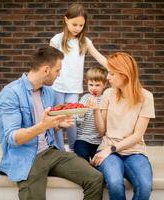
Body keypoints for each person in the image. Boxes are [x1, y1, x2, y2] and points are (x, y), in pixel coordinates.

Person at [0, 46, 103, 200]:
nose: (59, 75)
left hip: (50, 151)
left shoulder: (48, 92)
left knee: (96, 178)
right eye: (57, 70)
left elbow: (45, 130)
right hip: (26, 157)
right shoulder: (10, 93)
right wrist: (44, 125)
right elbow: (13, 138)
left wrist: (57, 125)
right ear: (46, 70)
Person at [90, 52, 155, 200]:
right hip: (109, 152)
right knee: (114, 183)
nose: (108, 78)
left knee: (145, 187)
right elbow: (102, 132)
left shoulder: (146, 97)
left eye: (112, 74)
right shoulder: (108, 94)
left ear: (124, 75)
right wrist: (95, 111)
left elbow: (137, 136)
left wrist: (110, 149)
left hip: (134, 151)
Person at [50, 3, 107, 151]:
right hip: (56, 86)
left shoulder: (85, 42)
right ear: (66, 20)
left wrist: (114, 67)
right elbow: (48, 61)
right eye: (74, 24)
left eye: (81, 25)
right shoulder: (57, 39)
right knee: (57, 119)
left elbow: (100, 58)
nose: (77, 28)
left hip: (73, 88)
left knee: (71, 120)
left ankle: (74, 150)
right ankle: (60, 150)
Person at [74, 67, 107, 161]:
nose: (93, 88)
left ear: (104, 84)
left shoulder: (105, 100)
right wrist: (82, 112)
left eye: (97, 85)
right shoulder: (84, 98)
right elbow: (77, 122)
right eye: (91, 85)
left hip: (99, 140)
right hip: (83, 138)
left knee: (99, 160)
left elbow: (105, 125)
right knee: (82, 156)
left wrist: (96, 110)